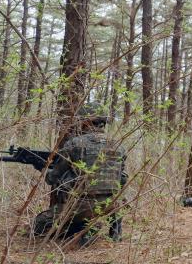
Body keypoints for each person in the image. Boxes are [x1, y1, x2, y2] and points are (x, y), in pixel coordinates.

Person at [33, 102, 128, 245]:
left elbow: (52, 178)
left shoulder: (75, 143)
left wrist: (42, 167)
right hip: (110, 206)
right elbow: (122, 179)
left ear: (85, 122)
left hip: (79, 207)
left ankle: (83, 228)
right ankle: (112, 233)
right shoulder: (119, 146)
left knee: (39, 224)